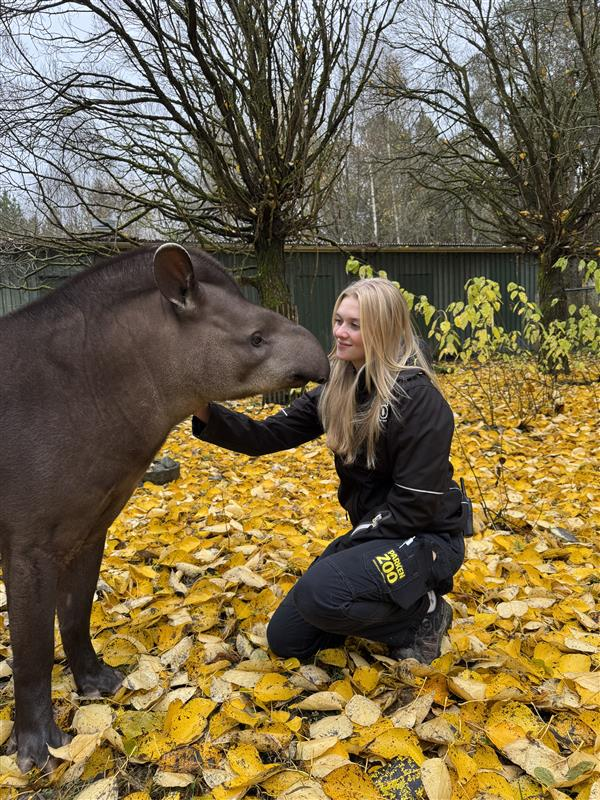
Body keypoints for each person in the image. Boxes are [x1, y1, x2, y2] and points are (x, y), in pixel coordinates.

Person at [191, 278, 467, 664]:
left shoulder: (420, 402)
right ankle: (377, 609)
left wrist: (343, 547)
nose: (339, 331)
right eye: (339, 320)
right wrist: (200, 403)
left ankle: (424, 615)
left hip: (426, 541)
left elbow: (414, 508)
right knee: (287, 640)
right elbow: (266, 435)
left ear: (383, 329)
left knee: (322, 592)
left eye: (354, 325)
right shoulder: (340, 387)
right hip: (377, 536)